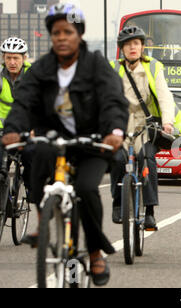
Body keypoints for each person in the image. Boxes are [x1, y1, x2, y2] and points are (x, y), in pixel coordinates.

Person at [1, 3, 129, 286]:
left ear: (79, 35)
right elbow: (24, 101)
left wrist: (115, 131)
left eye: (68, 32)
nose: (61, 37)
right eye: (56, 32)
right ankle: (43, 222)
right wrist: (12, 130)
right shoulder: (43, 68)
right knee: (34, 157)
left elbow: (112, 99)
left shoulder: (96, 64)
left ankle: (95, 253)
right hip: (55, 139)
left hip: (92, 142)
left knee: (85, 188)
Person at [110, 26, 178, 230]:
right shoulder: (114, 69)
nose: (133, 47)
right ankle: (117, 202)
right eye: (128, 44)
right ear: (122, 49)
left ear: (142, 47)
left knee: (147, 158)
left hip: (145, 123)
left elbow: (165, 96)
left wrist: (168, 121)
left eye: (136, 43)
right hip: (120, 123)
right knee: (117, 158)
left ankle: (149, 211)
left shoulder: (153, 67)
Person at [0, 37, 33, 190]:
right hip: (3, 130)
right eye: (8, 58)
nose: (12, 62)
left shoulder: (33, 76)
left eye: (16, 58)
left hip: (26, 131)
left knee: (31, 158)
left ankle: (29, 183)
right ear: (3, 58)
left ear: (24, 58)